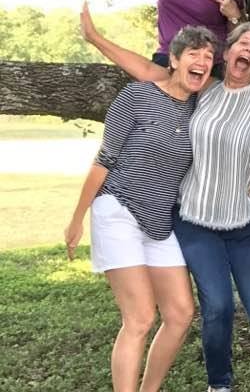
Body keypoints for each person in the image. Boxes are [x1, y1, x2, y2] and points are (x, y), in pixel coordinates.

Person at [80, 11, 250, 392]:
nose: (249, 51)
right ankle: (220, 385)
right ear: (227, 52)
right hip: (194, 220)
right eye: (243, 43)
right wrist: (96, 38)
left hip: (247, 222)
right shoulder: (204, 88)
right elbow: (148, 72)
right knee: (216, 306)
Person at [64, 25, 216, 392]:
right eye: (193, 54)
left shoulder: (201, 110)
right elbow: (104, 159)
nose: (202, 61)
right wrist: (77, 218)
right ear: (174, 60)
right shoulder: (136, 95)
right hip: (118, 209)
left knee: (180, 313)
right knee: (140, 317)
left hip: (159, 222)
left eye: (209, 57)